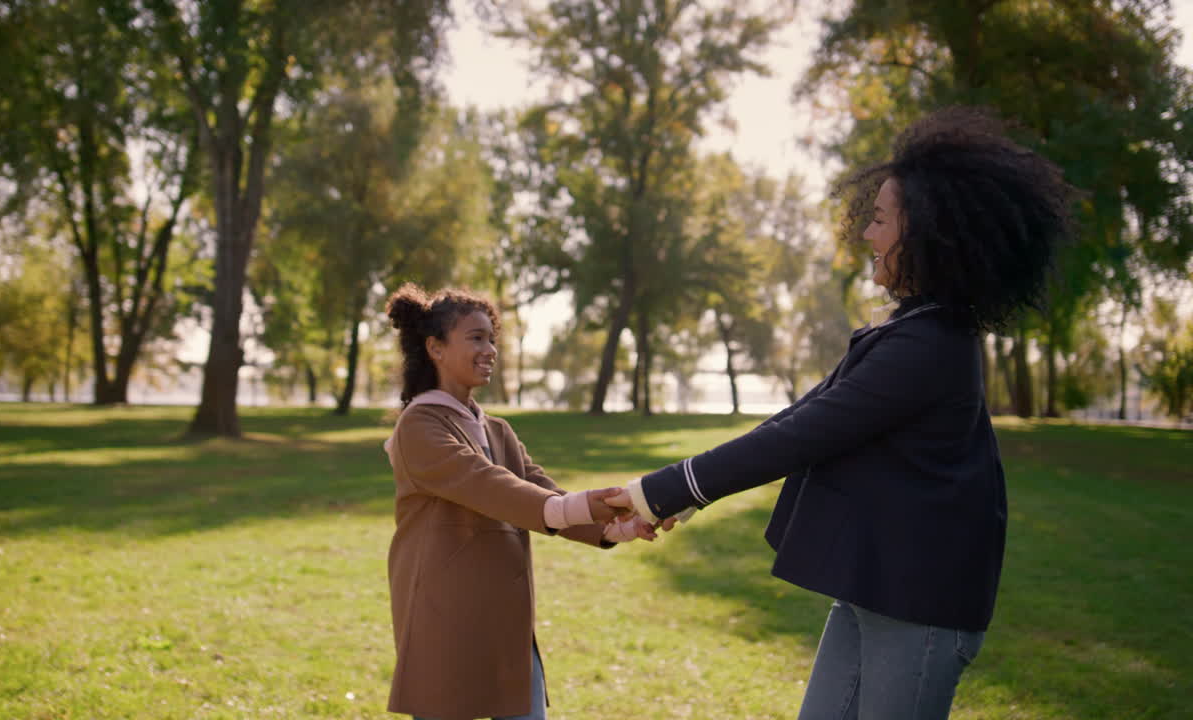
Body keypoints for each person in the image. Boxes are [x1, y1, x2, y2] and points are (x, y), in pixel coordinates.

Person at [606, 106, 1076, 719]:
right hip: (877, 589)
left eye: (880, 220)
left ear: (930, 234)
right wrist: (677, 494)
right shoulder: (912, 330)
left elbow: (804, 435)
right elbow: (800, 418)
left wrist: (659, 492)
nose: (867, 234)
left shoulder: (930, 346)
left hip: (919, 604)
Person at [382, 283, 655, 720]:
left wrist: (615, 526)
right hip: (445, 618)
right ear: (435, 348)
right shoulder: (420, 426)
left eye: (492, 338)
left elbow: (543, 492)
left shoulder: (498, 430)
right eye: (476, 337)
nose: (489, 349)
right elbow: (492, 488)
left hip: (507, 620)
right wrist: (589, 504)